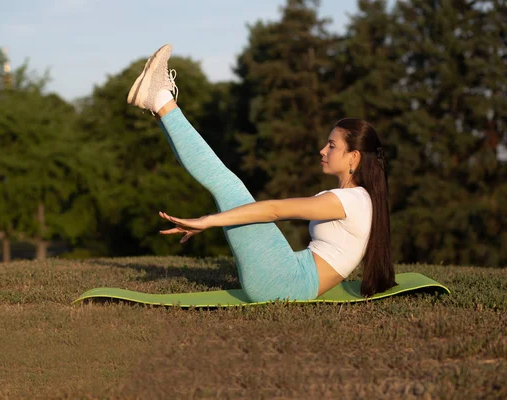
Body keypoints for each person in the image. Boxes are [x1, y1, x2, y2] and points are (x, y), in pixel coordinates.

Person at [126, 44, 397, 302]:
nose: (322, 150)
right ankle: (158, 104)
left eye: (332, 145)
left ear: (354, 157)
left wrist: (209, 220)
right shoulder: (355, 199)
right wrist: (218, 219)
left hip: (286, 282)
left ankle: (161, 99)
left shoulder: (351, 201)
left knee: (228, 184)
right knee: (227, 185)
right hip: (290, 276)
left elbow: (276, 211)